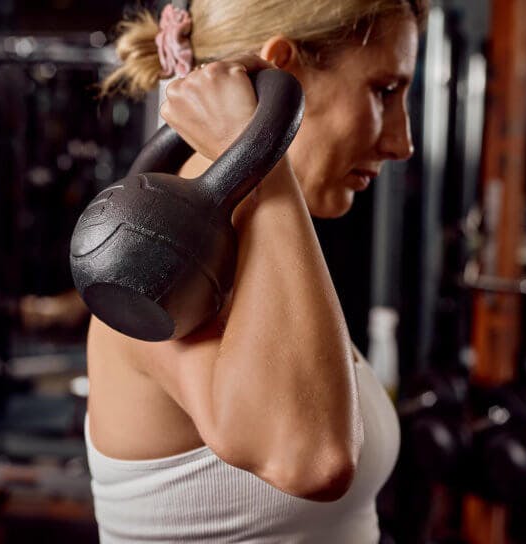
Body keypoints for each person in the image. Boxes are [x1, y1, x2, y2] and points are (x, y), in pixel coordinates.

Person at [85, 0, 427, 542]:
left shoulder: (264, 250)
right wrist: (256, 143)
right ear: (280, 72)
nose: (402, 143)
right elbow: (312, 459)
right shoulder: (163, 263)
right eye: (384, 90)